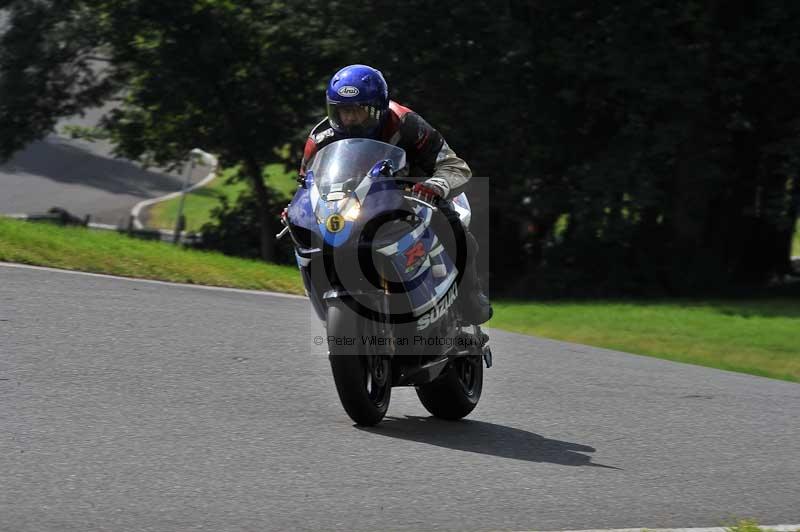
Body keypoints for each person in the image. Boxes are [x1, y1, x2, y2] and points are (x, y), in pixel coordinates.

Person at [298, 64, 492, 325]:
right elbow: (306, 182)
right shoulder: (321, 137)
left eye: (358, 111)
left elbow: (454, 165)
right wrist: (297, 207)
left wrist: (434, 187)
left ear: (378, 108)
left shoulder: (407, 124)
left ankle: (470, 298)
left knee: (452, 225)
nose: (350, 119)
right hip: (354, 206)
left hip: (413, 196)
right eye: (343, 111)